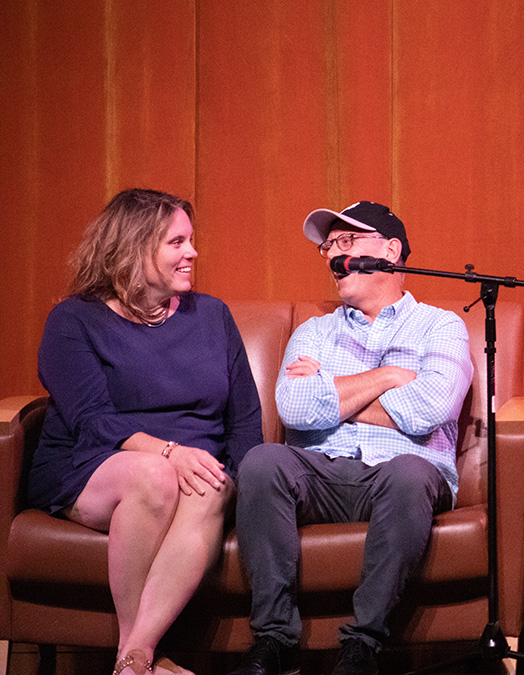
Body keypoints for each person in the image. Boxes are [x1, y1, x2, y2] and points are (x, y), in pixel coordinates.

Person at [229, 201, 473, 675]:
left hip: (404, 473)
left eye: (346, 242)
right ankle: (274, 642)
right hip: (323, 472)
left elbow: (432, 407)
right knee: (263, 462)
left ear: (390, 250)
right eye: (327, 247)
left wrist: (333, 395)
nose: (331, 257)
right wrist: (388, 376)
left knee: (408, 473)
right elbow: (294, 408)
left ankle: (363, 645)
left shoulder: (441, 326)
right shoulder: (315, 331)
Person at [28, 189, 263, 675]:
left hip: (194, 468)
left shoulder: (213, 315)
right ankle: (142, 662)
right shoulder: (73, 321)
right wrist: (169, 453)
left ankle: (134, 658)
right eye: (177, 242)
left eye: (191, 240)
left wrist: (249, 485)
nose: (192, 253)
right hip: (96, 464)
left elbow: (243, 418)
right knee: (153, 476)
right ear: (134, 248)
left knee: (211, 482)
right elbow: (94, 420)